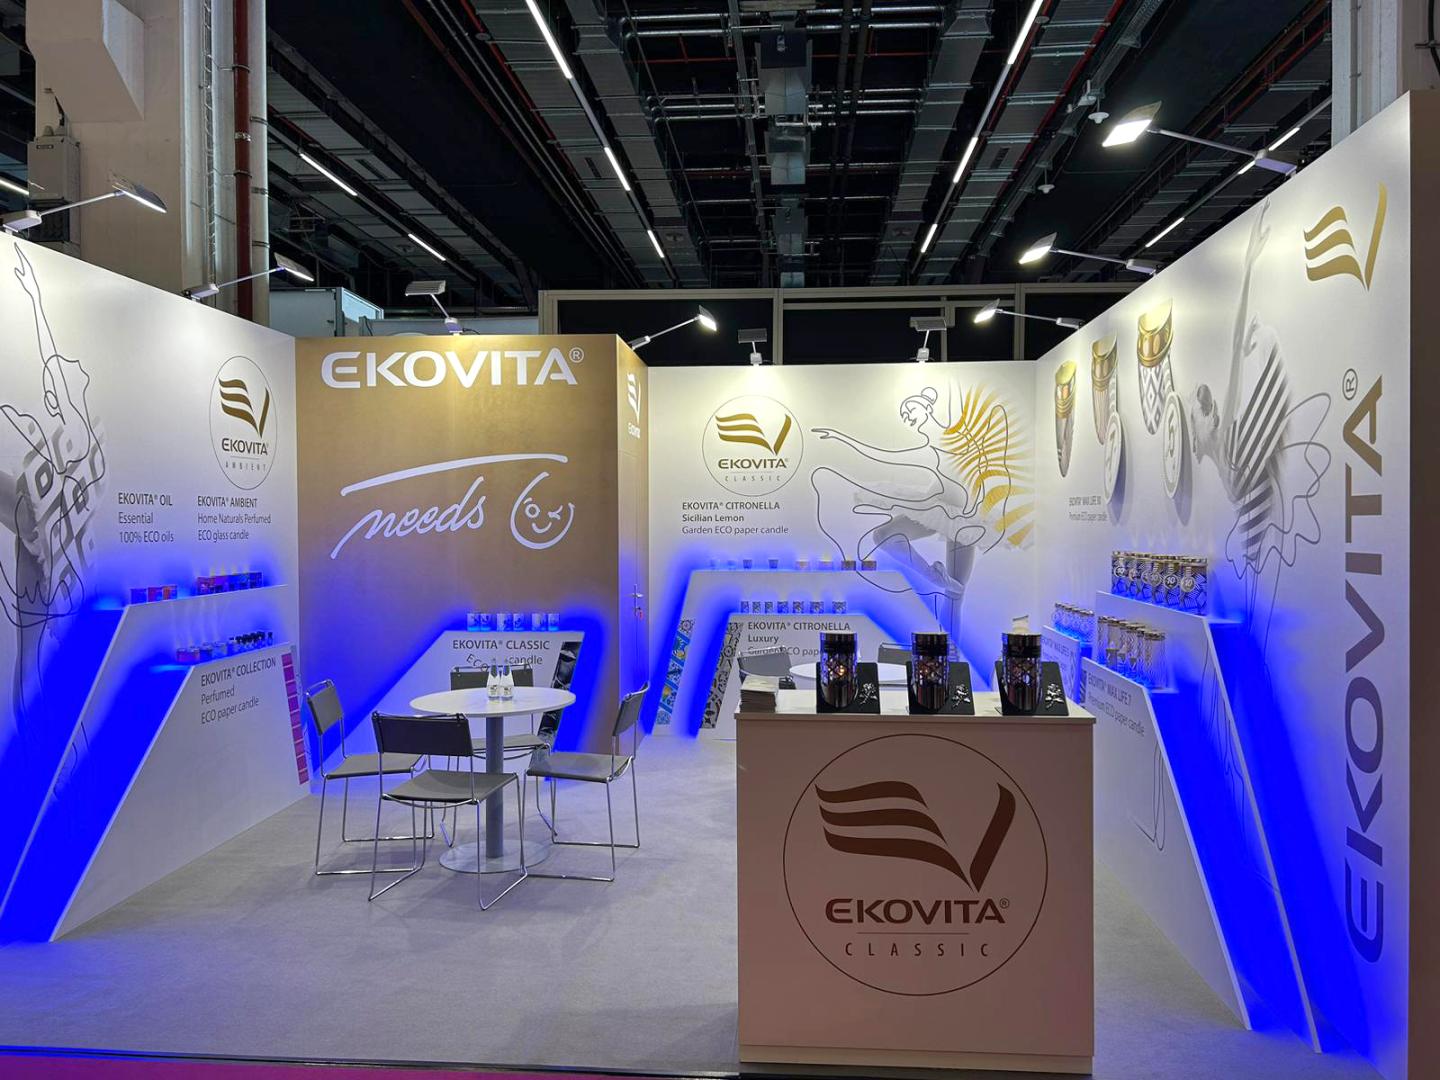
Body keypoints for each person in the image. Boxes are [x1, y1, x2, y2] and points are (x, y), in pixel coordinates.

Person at [1186, 201, 1329, 649]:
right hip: (1255, 533)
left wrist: (1247, 269)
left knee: (1259, 615)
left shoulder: (1228, 436)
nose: (1194, 424)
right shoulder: (1222, 452)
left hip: (1264, 526)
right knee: (1254, 609)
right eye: (1196, 412)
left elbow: (1233, 348)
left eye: (1196, 413)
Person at [810, 383, 1029, 639]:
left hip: (963, 518)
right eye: (904, 414)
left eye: (910, 410)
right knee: (883, 536)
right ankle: (934, 577)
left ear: (927, 408)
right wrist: (840, 438)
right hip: (934, 507)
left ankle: (950, 652)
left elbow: (980, 470)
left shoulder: (955, 437)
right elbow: (883, 455)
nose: (907, 417)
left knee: (955, 594)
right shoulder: (931, 446)